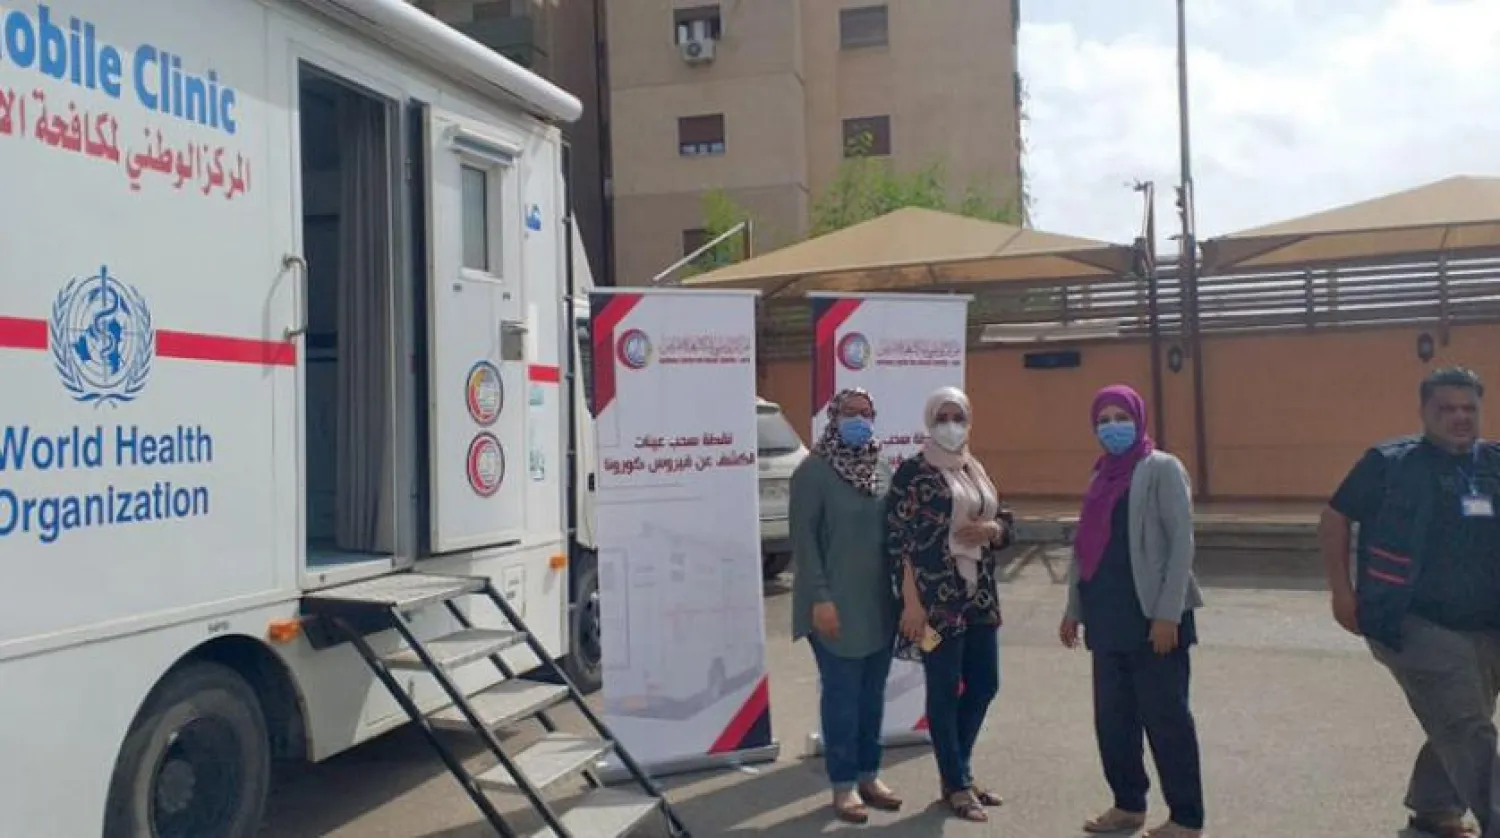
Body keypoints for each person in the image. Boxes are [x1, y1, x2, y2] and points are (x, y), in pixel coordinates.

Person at [1319, 366, 1500, 838]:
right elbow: (1335, 516)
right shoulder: (1389, 463)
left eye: (1469, 409)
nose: (1459, 418)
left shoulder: (1495, 463)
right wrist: (1341, 591)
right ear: (1424, 412)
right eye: (1447, 409)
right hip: (1410, 622)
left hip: (1487, 624)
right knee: (1466, 724)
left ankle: (1434, 809)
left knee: (1462, 717)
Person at [1059, 384, 1207, 838]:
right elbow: (1085, 549)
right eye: (1103, 420)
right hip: (1107, 617)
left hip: (1153, 620)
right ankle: (1128, 805)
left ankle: (1186, 817)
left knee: (1166, 720)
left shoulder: (1160, 468)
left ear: (1139, 420)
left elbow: (1181, 542)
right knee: (1114, 721)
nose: (1112, 428)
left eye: (1120, 417)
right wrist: (1073, 608)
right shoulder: (1101, 474)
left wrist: (1166, 615)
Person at [889, 385, 1010, 823]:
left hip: (978, 597)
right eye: (942, 417)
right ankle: (956, 782)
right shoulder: (912, 474)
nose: (951, 425)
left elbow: (1004, 518)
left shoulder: (974, 467)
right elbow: (898, 542)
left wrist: (994, 530)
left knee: (984, 684)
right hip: (935, 601)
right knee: (943, 688)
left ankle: (958, 770)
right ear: (928, 421)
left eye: (958, 416)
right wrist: (910, 603)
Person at [790, 387, 903, 824]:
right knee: (842, 696)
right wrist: (820, 598)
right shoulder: (813, 472)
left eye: (867, 413)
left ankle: (869, 775)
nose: (860, 420)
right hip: (833, 606)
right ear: (834, 418)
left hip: (879, 604)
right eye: (851, 413)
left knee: (872, 696)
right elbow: (804, 542)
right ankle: (843, 785)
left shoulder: (882, 468)